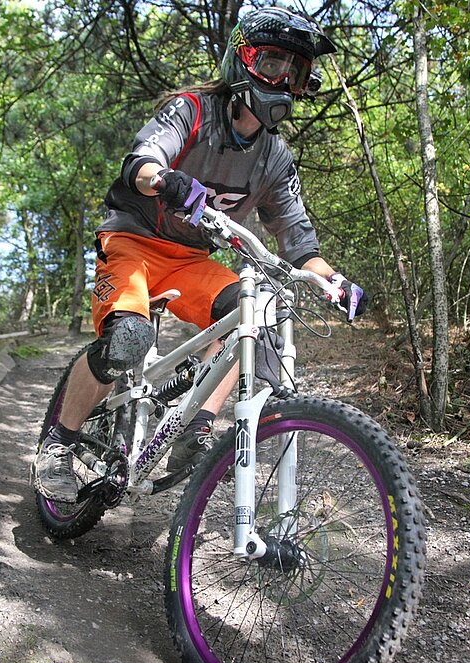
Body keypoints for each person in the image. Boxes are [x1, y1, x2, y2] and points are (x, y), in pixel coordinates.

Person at [33, 6, 365, 503]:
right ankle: (57, 445)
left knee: (254, 315)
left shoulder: (274, 157)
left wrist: (332, 280)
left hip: (190, 260)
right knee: (126, 340)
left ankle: (197, 427)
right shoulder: (193, 110)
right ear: (242, 61)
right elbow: (141, 163)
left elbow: (299, 243)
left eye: (296, 71)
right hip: (132, 242)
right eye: (272, 63)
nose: (283, 80)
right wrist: (164, 179)